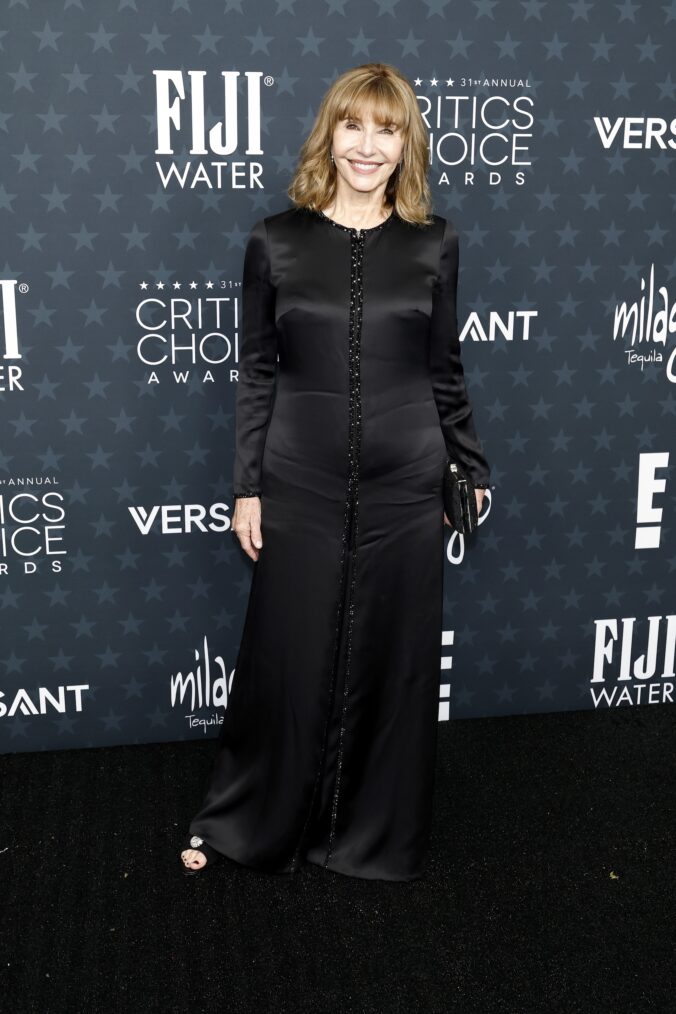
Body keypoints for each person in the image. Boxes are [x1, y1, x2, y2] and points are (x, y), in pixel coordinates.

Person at [180, 62, 491, 882]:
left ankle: (371, 837)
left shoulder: (435, 242)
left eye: (386, 130)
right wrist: (248, 484)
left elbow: (445, 369)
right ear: (330, 133)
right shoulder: (275, 239)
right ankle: (252, 822)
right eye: (353, 126)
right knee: (287, 652)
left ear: (405, 144)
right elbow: (255, 372)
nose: (367, 146)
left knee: (396, 656)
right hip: (299, 479)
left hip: (408, 478)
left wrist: (469, 462)